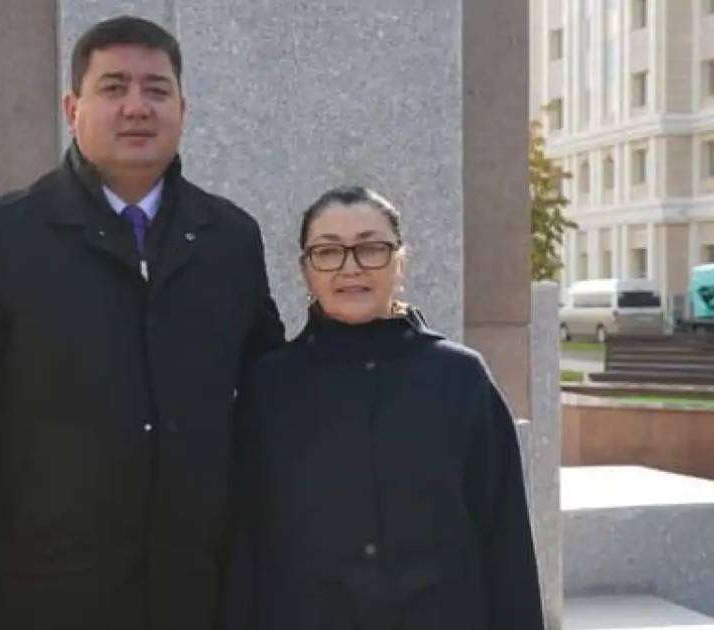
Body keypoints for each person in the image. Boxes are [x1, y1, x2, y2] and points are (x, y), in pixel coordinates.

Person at [0, 16, 284, 630]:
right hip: (47, 595)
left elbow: (272, 392)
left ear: (182, 109)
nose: (137, 106)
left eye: (156, 89)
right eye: (113, 88)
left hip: (197, 594)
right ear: (72, 107)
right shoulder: (2, 238)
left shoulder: (230, 239)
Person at [227, 187, 543, 630]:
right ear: (305, 270)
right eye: (328, 251)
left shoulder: (460, 377)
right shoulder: (268, 387)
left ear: (401, 263)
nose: (350, 266)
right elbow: (243, 544)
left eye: (371, 248)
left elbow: (505, 539)